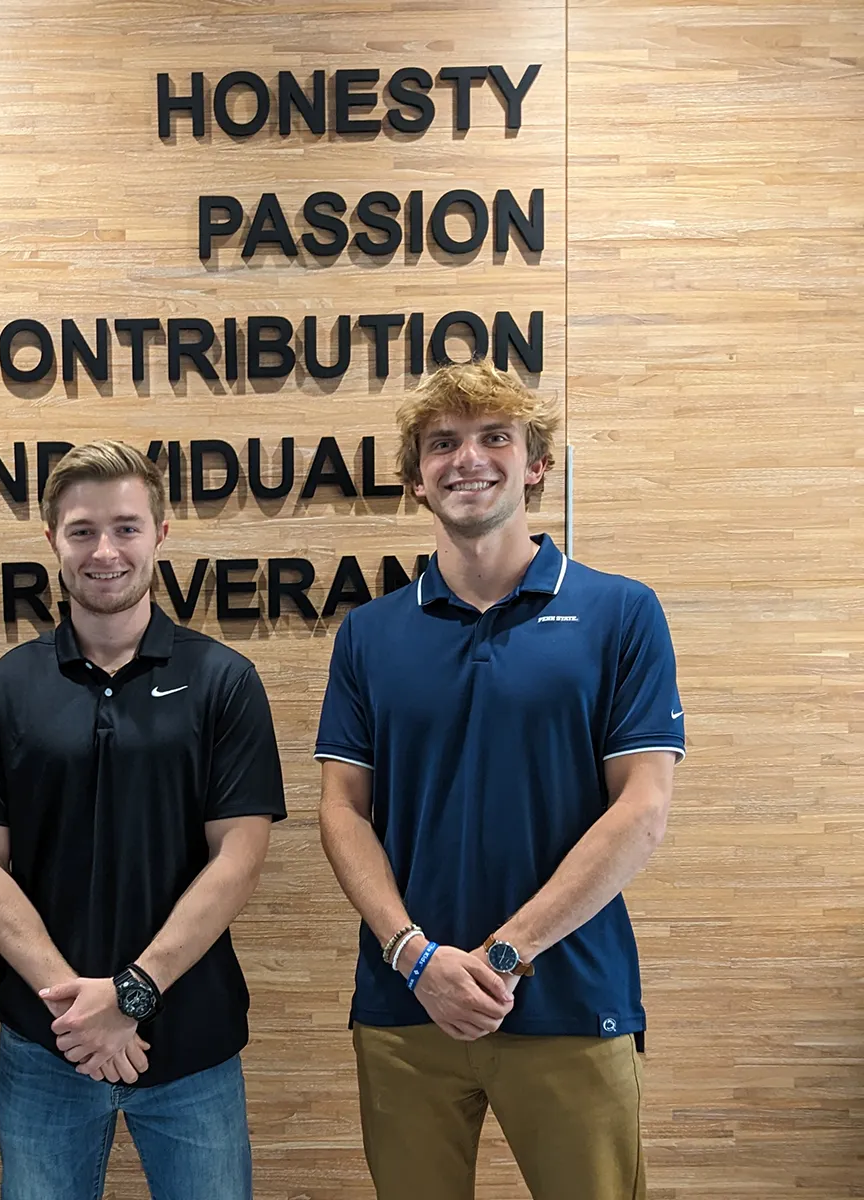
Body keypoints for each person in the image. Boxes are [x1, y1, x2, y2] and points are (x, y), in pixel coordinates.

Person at [316, 361, 684, 1200]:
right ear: (416, 478)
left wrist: (505, 954)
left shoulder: (621, 612)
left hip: (568, 1000)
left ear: (536, 464)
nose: (467, 458)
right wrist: (415, 957)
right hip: (407, 1008)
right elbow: (341, 811)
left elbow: (642, 809)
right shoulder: (369, 635)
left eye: (494, 437)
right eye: (441, 443)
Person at [0, 440, 285, 1200]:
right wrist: (76, 1008)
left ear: (160, 534)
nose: (105, 551)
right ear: (52, 542)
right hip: (46, 1047)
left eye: (126, 527)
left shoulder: (224, 680)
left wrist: (130, 994)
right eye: (83, 531)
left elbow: (238, 858)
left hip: (191, 1044)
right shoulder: (1, 691)